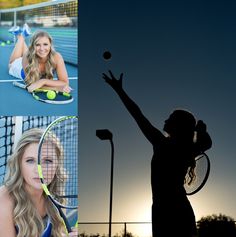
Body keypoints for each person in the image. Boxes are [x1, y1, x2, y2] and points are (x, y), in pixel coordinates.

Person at [102, 70, 212, 237]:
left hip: (166, 210)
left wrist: (119, 90)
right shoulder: (186, 148)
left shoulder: (162, 144)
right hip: (172, 209)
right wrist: (201, 130)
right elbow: (207, 142)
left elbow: (137, 115)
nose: (165, 119)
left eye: (170, 117)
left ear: (177, 125)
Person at [0, 128, 78, 237]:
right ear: (19, 164)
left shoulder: (56, 196)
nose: (39, 170)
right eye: (30, 160)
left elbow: (58, 233)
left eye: (47, 161)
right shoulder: (4, 199)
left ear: (57, 166)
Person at [8, 24, 72, 93]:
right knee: (11, 64)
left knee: (30, 53)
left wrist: (43, 81)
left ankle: (20, 34)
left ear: (50, 44)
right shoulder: (27, 56)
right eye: (37, 45)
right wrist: (56, 88)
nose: (42, 49)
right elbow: (33, 85)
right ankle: (21, 37)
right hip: (20, 68)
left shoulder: (57, 57)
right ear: (33, 46)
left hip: (31, 56)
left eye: (45, 44)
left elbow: (65, 82)